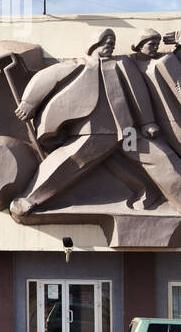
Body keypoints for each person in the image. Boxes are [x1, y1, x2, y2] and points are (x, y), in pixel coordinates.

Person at [10, 29, 181, 216]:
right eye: (105, 41)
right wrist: (29, 103)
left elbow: (137, 93)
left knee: (161, 160)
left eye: (112, 42)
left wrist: (147, 122)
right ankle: (29, 200)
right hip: (95, 133)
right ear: (93, 44)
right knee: (68, 164)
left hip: (128, 133)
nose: (110, 44)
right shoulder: (77, 65)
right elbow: (47, 78)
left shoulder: (122, 64)